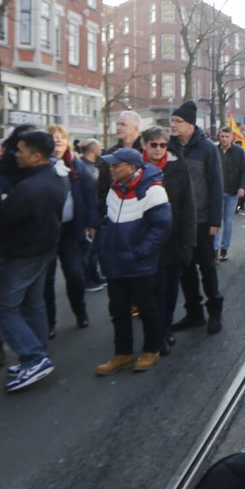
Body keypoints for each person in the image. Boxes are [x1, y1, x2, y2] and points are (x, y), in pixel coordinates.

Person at [0, 130, 67, 393]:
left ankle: (34, 357)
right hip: (42, 249)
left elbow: (1, 220)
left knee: (2, 308)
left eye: (20, 150)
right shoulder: (54, 178)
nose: (15, 154)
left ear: (35, 156)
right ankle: (37, 353)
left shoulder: (28, 188)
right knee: (33, 305)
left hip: (22, 253)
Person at [94, 147, 173, 374]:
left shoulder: (153, 191)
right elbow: (107, 221)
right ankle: (123, 353)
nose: (111, 169)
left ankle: (151, 350)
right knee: (118, 310)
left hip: (140, 264)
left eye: (116, 165)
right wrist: (103, 248)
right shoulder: (114, 189)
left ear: (131, 167)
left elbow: (162, 227)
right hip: (115, 262)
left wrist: (139, 253)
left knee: (147, 309)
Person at [168, 101, 224, 335]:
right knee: (185, 270)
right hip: (178, 222)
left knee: (207, 268)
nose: (173, 125)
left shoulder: (207, 148)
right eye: (171, 120)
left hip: (202, 220)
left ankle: (215, 311)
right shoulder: (169, 147)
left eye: (177, 121)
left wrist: (215, 220)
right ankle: (194, 313)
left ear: (190, 125)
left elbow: (216, 184)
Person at [142, 127, 197, 355]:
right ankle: (157, 335)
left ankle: (165, 328)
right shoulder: (136, 168)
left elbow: (188, 205)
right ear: (144, 145)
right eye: (153, 145)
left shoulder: (178, 168)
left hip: (174, 240)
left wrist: (188, 240)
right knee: (154, 290)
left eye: (163, 145)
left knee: (171, 289)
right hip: (147, 240)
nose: (158, 149)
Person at [41, 124, 98, 334]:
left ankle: (80, 312)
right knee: (46, 279)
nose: (58, 140)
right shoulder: (40, 165)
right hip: (46, 231)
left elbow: (89, 195)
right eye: (53, 137)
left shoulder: (76, 165)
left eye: (62, 137)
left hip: (71, 229)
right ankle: (48, 323)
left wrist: (91, 223)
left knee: (75, 274)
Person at [215, 126, 245, 261]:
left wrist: (242, 187)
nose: (224, 139)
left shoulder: (238, 151)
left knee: (228, 222)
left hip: (232, 192)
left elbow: (244, 170)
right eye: (222, 136)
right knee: (216, 221)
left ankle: (224, 249)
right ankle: (214, 249)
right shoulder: (214, 150)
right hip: (216, 193)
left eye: (227, 136)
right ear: (219, 136)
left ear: (232, 137)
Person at [78, 138, 107, 290]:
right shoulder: (81, 167)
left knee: (94, 249)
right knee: (87, 250)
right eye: (99, 147)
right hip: (87, 216)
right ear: (94, 149)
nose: (101, 149)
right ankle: (86, 279)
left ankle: (94, 275)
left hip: (96, 213)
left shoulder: (95, 165)